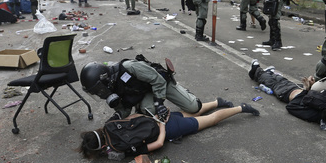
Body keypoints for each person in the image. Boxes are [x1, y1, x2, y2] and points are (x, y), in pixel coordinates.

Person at [79, 55, 240, 121]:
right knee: (147, 114)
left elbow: (157, 80)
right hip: (144, 91)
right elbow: (126, 108)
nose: (99, 94)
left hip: (160, 83)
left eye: (98, 90)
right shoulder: (112, 86)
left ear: (104, 79)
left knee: (193, 107)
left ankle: (215, 102)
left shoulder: (129, 67)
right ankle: (167, 112)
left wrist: (159, 104)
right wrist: (116, 118)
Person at [78, 100, 260, 158]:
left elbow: (157, 144)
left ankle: (241, 108)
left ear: (101, 148)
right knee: (190, 112)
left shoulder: (121, 147)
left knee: (211, 120)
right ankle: (218, 101)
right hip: (157, 117)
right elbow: (133, 117)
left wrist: (163, 126)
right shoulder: (109, 124)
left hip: (169, 129)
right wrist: (157, 118)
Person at [248, 60, 326, 130]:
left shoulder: (316, 114)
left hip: (286, 93)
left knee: (271, 81)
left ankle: (255, 70)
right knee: (280, 80)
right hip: (295, 89)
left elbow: (291, 106)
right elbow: (313, 96)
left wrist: (306, 90)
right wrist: (309, 87)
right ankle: (268, 73)